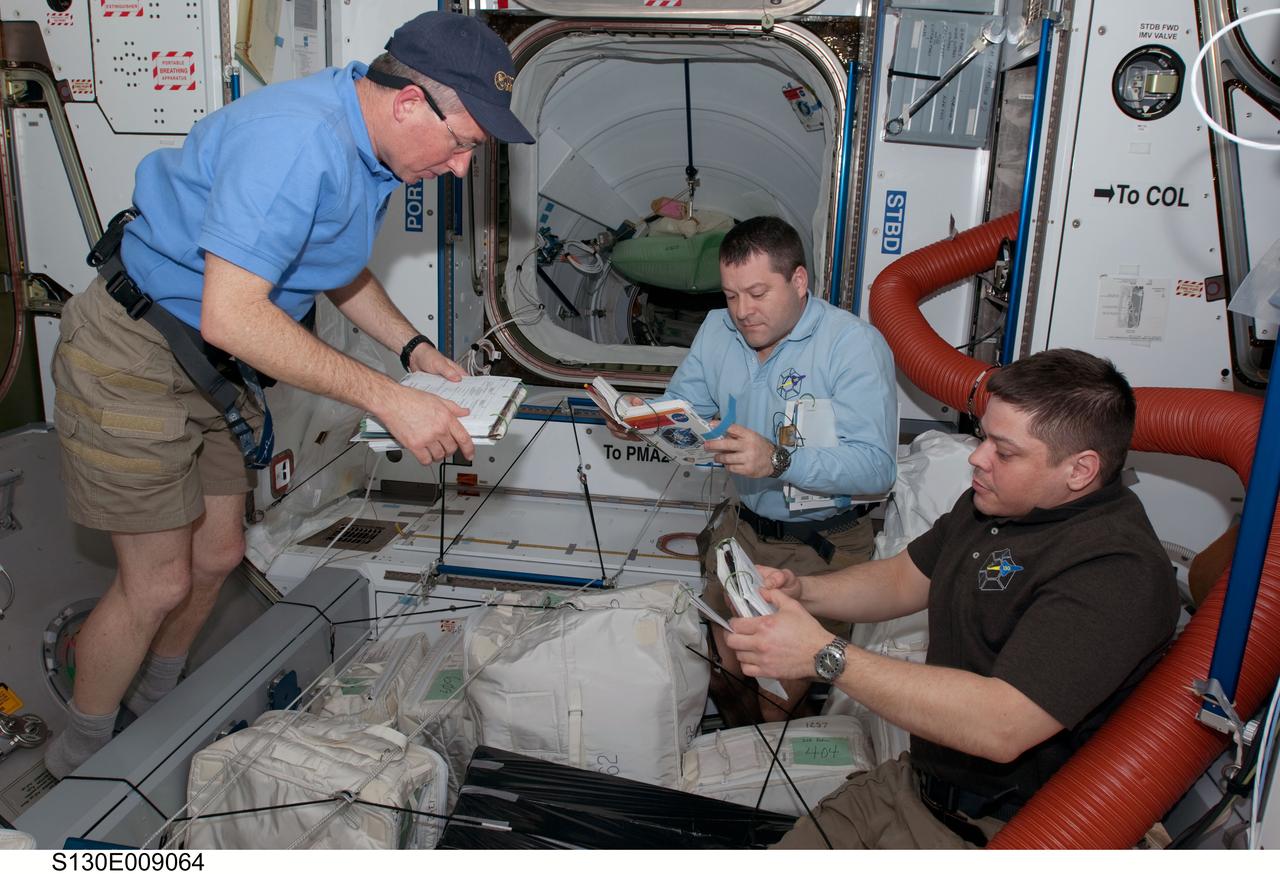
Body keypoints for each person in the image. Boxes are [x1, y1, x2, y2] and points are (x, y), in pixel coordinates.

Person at [44, 11, 534, 779]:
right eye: (465, 142)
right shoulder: (297, 143)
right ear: (411, 104)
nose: (462, 166)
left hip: (209, 362)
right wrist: (389, 399)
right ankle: (80, 763)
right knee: (158, 580)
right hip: (134, 350)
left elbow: (331, 265)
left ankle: (154, 708)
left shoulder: (370, 148)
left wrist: (414, 352)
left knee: (220, 554)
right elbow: (233, 312)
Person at [723, 349, 1180, 848]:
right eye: (984, 437)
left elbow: (1001, 725)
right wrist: (805, 590)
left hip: (1003, 830)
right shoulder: (995, 505)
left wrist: (824, 656)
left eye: (1004, 452)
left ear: (1080, 470)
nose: (977, 458)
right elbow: (903, 579)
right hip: (913, 782)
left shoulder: (1115, 570)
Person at [612, 216, 897, 723]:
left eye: (758, 293)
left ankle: (771, 785)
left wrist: (780, 460)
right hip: (742, 531)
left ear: (799, 281)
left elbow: (876, 469)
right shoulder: (718, 329)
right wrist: (645, 417)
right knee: (723, 672)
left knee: (775, 692)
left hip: (819, 545)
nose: (743, 312)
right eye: (731, 295)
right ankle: (736, 767)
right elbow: (688, 404)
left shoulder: (851, 345)